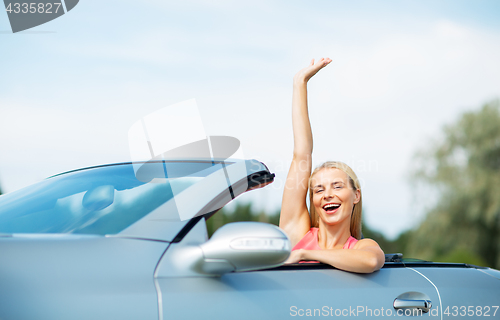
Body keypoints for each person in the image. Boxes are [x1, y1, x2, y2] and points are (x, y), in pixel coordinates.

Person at [280, 58, 385, 273]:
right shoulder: (297, 233)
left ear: (356, 195)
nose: (327, 194)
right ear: (314, 201)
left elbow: (371, 261)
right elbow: (302, 155)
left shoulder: (363, 247)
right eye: (319, 189)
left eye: (337, 186)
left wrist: (304, 254)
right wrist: (300, 82)